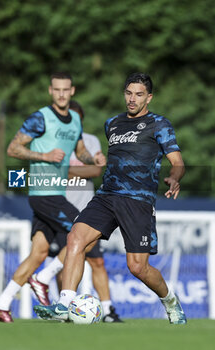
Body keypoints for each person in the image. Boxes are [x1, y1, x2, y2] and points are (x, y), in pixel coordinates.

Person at [34, 72, 187, 325]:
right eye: (128, 93)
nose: (132, 99)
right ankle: (64, 304)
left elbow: (177, 162)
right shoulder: (112, 124)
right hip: (106, 196)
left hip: (137, 201)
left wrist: (174, 177)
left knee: (138, 267)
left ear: (149, 97)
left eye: (138, 94)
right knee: (75, 238)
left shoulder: (160, 124)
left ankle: (170, 300)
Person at [0, 72, 106, 323]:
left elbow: (81, 150)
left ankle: (1, 303)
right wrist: (43, 156)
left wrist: (93, 159)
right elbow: (13, 148)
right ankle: (42, 279)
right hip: (44, 192)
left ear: (72, 91)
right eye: (57, 90)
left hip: (55, 193)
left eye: (66, 90)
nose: (61, 94)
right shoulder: (40, 117)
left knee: (39, 252)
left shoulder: (75, 119)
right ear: (50, 91)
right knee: (88, 233)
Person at [46, 100, 122, 322]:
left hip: (88, 211)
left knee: (97, 261)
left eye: (76, 117)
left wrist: (66, 171)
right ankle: (65, 308)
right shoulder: (53, 141)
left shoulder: (90, 140)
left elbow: (97, 170)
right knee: (69, 258)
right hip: (60, 209)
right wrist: (79, 171)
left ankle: (108, 311)